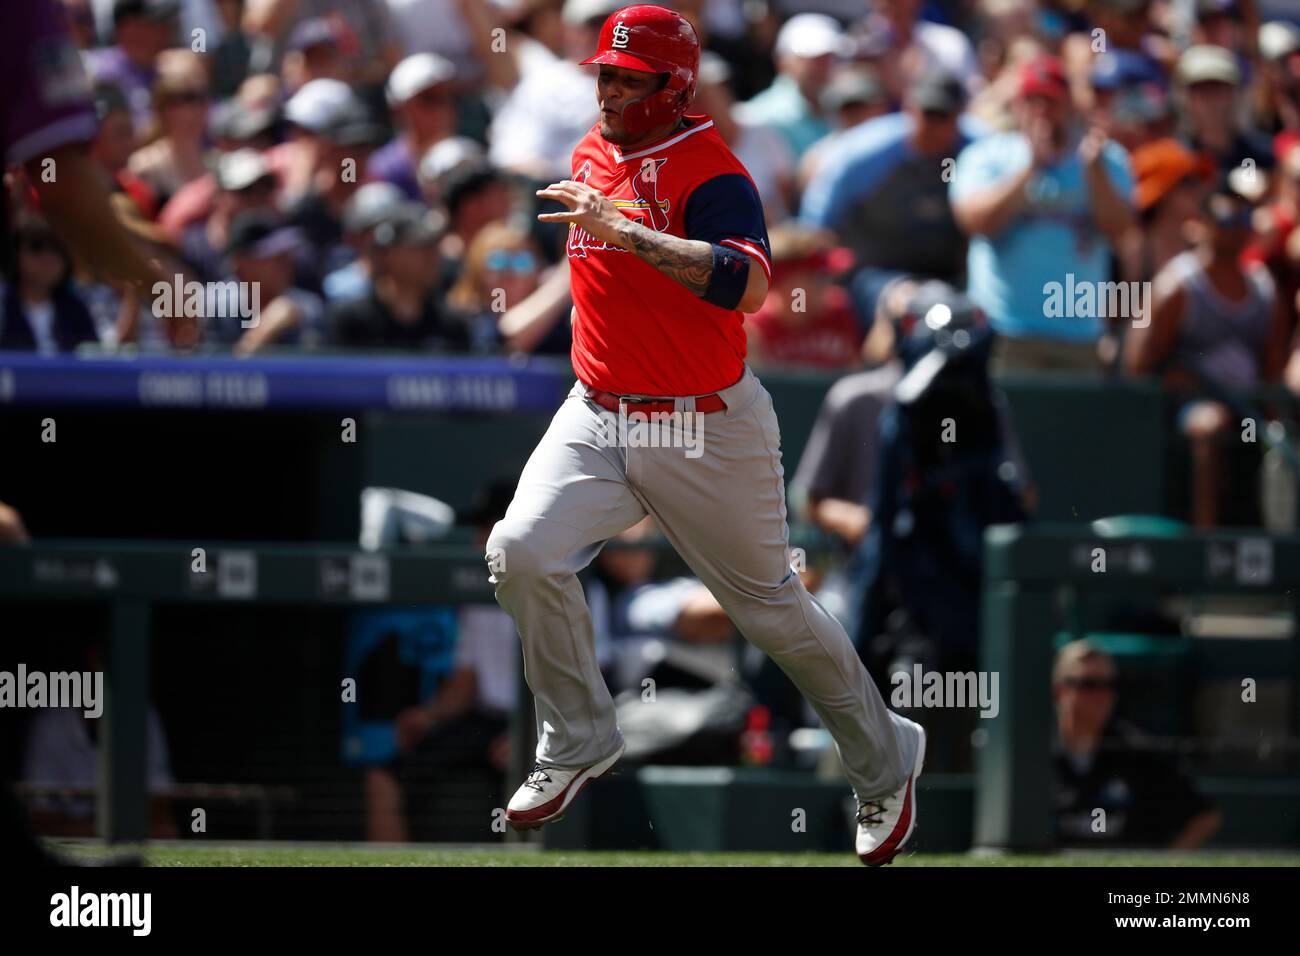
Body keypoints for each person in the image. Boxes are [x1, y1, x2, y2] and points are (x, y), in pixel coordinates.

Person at [483, 4, 925, 866]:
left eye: (627, 78)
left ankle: (884, 758)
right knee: (520, 551)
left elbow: (748, 287)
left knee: (770, 611)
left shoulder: (713, 169)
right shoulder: (589, 151)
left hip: (704, 425)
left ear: (673, 86)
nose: (608, 91)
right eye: (603, 75)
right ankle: (577, 736)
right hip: (599, 409)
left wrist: (629, 232)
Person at [950, 54, 1136, 375]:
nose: (1042, 112)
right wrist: (1030, 168)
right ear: (1016, 107)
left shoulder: (1107, 160)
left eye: (1051, 102)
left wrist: (1095, 173)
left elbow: (1121, 231)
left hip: (1079, 337)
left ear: (1068, 106)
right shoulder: (987, 156)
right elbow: (976, 223)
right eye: (1032, 101)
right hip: (1003, 334)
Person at [1126, 184, 1288, 527]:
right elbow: (1138, 365)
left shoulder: (1263, 289)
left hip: (1246, 409)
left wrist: (1276, 425)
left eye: (1246, 218)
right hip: (1185, 410)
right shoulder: (1177, 286)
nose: (1238, 228)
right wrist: (1190, 382)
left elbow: (1272, 376)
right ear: (1201, 224)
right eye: (1227, 218)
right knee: (1210, 424)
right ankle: (1206, 546)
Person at [801, 71, 983, 334]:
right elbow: (815, 227)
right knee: (913, 308)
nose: (932, 125)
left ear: (959, 117)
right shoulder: (864, 153)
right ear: (910, 110)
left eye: (942, 116)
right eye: (926, 113)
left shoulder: (979, 149)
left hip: (951, 276)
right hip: (875, 275)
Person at [1053, 640, 1222, 849]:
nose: (1101, 696)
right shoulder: (1032, 752)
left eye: (1109, 686)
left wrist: (1169, 863)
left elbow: (1204, 816)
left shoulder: (1135, 749)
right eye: (1088, 685)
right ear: (1060, 690)